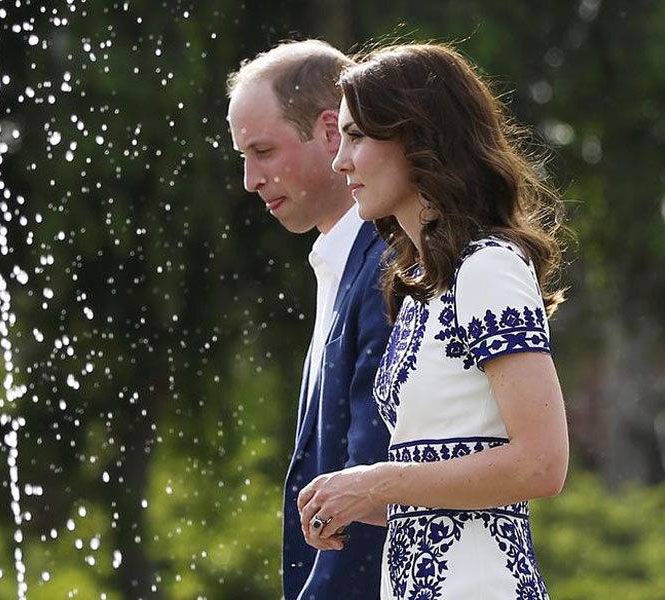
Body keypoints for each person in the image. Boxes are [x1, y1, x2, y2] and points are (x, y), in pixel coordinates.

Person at [297, 43, 570, 599]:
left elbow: (543, 463)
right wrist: (355, 498)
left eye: (357, 136)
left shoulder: (487, 266)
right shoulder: (425, 285)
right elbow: (441, 480)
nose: (339, 160)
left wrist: (377, 480)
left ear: (418, 137)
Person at [226, 40, 392, 599]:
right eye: (243, 157)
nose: (250, 180)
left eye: (264, 151)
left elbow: (368, 494)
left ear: (329, 131)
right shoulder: (343, 262)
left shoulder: (389, 271)